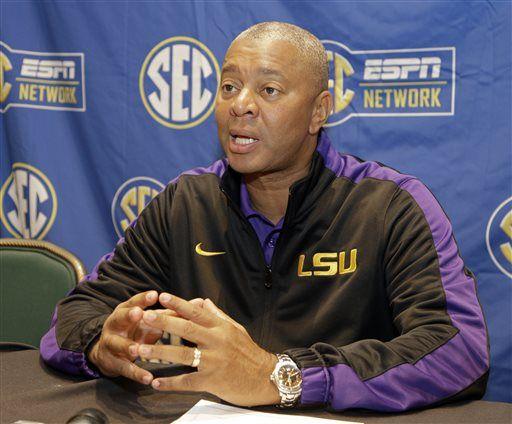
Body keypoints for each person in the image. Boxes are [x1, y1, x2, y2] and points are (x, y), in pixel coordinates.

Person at [41, 22, 489, 411]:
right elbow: (72, 319)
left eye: (269, 90)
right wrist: (102, 344)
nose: (241, 105)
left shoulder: (390, 206)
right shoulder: (184, 204)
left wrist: (281, 375)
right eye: (230, 86)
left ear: (319, 111)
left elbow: (459, 351)